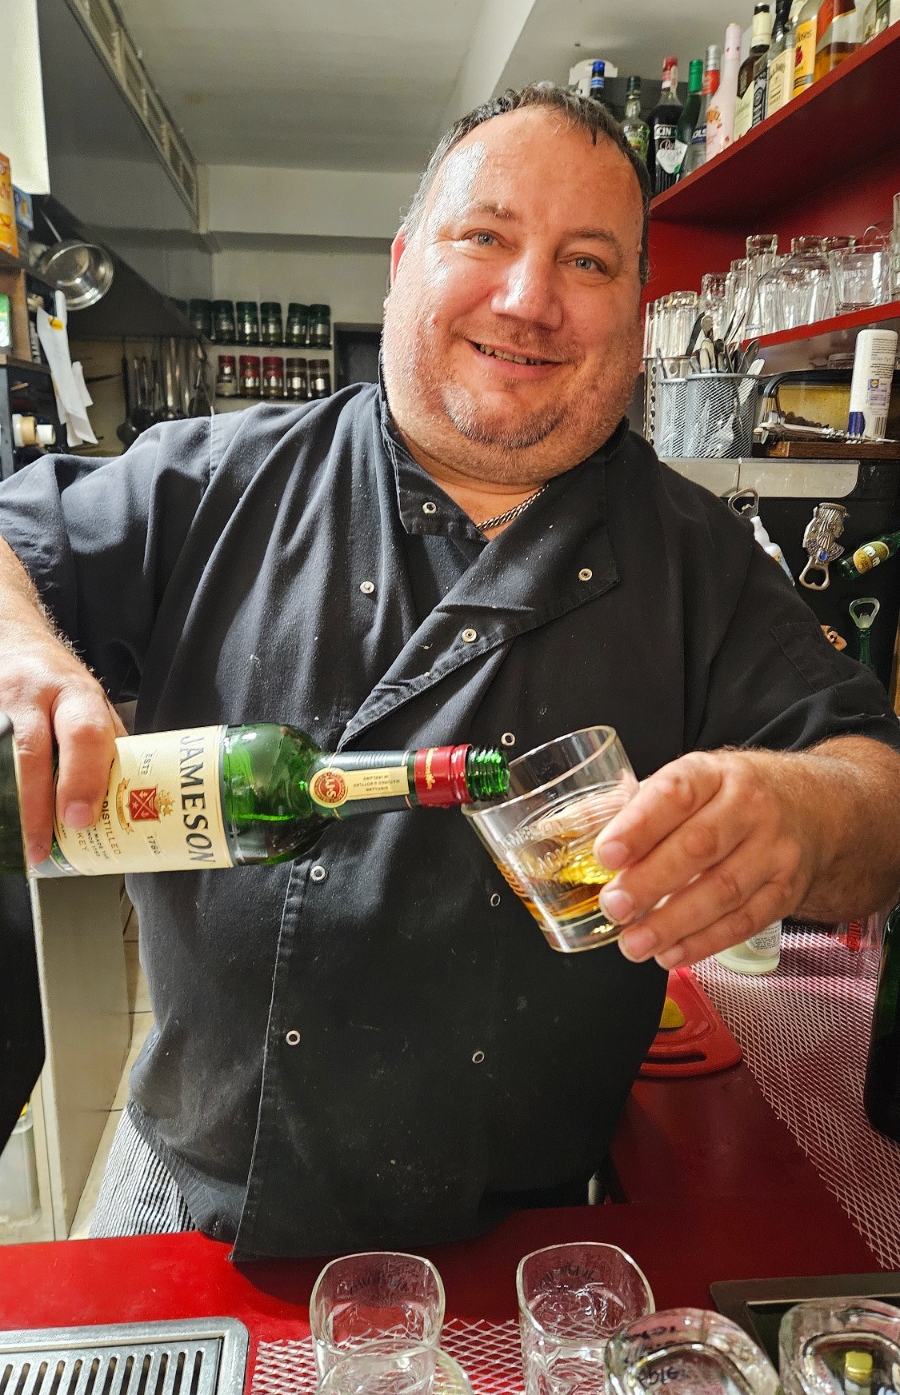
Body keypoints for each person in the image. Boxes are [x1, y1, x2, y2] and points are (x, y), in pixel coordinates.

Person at [0, 84, 898, 1257]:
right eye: (485, 237)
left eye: (588, 262)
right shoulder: (216, 478)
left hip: (529, 1238)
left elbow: (876, 790)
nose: (529, 301)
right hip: (191, 1187)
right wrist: (24, 653)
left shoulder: (703, 559)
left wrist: (797, 816)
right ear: (404, 260)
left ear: (637, 311)